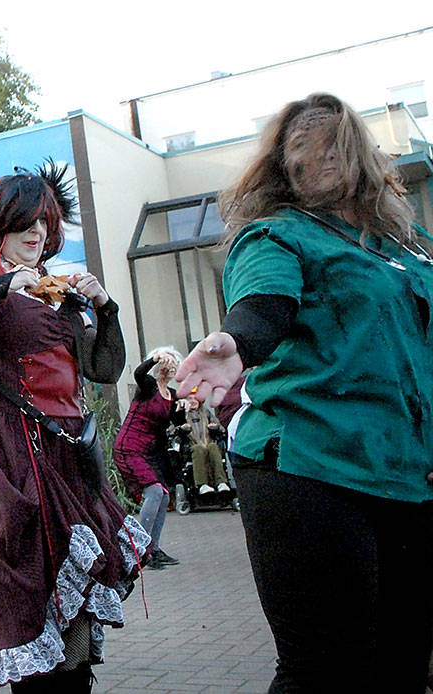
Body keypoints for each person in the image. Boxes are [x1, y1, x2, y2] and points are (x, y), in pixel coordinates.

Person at [177, 92, 433, 693]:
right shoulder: (276, 235)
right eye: (300, 150)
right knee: (326, 670)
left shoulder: (409, 243)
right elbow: (264, 304)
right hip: (308, 466)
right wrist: (237, 344)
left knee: (403, 664)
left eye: (331, 148)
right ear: (281, 164)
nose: (316, 162)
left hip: (408, 474)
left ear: (361, 156)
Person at [0, 163, 148, 692]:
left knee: (74, 600)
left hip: (65, 453)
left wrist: (105, 308)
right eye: (25, 222)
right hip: (5, 452)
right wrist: (1, 287)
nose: (37, 232)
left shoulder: (55, 284)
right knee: (25, 589)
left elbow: (102, 368)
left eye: (44, 222)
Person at [112, 347, 185, 570]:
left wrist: (184, 408)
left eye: (174, 364)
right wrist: (155, 358)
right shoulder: (148, 386)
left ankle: (153, 549)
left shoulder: (172, 395)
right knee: (154, 492)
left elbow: (177, 422)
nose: (171, 367)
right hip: (129, 447)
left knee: (163, 495)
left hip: (148, 452)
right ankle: (140, 549)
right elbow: (139, 373)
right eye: (167, 362)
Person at [177, 399, 228, 496]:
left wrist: (215, 428)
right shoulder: (180, 414)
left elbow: (221, 429)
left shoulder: (206, 413)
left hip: (208, 443)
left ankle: (221, 482)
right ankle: (202, 485)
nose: (192, 401)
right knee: (198, 449)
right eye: (189, 399)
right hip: (191, 446)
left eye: (195, 398)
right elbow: (171, 431)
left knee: (213, 447)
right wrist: (181, 429)